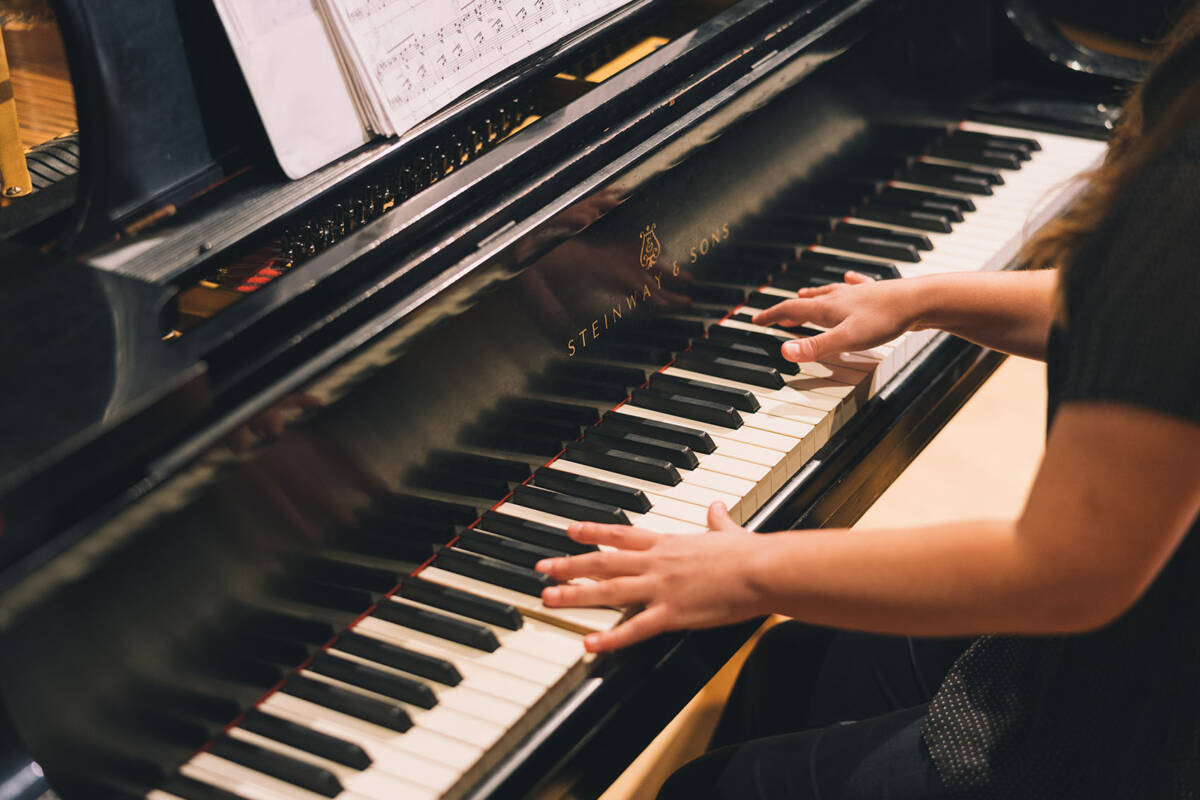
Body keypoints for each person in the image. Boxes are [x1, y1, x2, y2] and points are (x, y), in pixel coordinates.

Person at [533, 5, 1200, 798]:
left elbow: (1069, 571)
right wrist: (925, 296)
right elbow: (1150, 319)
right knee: (797, 667)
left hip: (1139, 724)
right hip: (1143, 624)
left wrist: (751, 570)